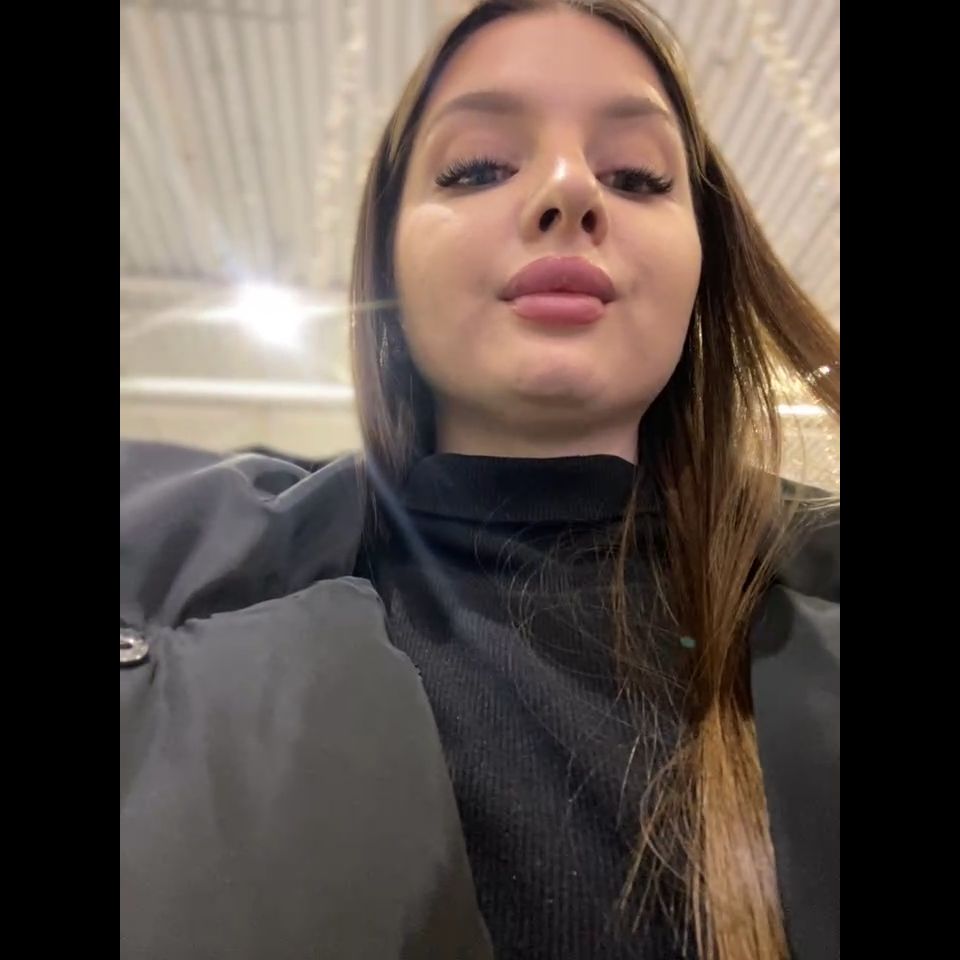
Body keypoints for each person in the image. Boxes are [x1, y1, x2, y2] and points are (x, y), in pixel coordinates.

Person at [119, 2, 840, 958]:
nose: (569, 188)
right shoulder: (168, 573)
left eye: (637, 176)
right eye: (477, 168)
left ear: (703, 266)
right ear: (388, 263)